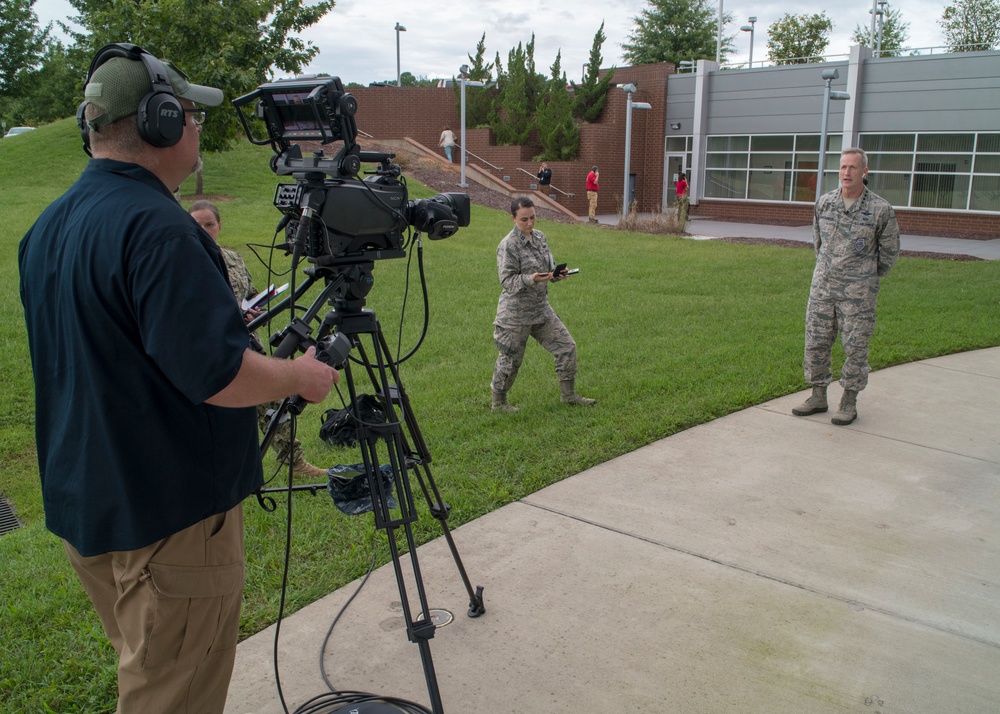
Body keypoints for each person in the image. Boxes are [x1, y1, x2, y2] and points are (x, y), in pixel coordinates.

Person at [18, 44, 338, 713]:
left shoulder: (49, 226)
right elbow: (221, 376)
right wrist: (300, 376)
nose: (197, 127)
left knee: (151, 670)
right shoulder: (160, 229)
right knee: (171, 698)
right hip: (170, 523)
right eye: (190, 113)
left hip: (95, 509)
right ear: (163, 122)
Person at [188, 200, 329, 478]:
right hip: (215, 352)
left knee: (274, 402)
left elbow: (249, 293)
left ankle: (294, 461)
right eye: (197, 225)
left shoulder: (233, 259)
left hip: (247, 344)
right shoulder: (187, 263)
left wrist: (253, 308)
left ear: (219, 226)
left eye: (209, 224)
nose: (204, 230)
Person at [792, 147, 899, 426]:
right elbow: (819, 244)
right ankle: (817, 395)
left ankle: (849, 400)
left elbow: (889, 253)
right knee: (816, 342)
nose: (846, 173)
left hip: (858, 295)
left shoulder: (880, 210)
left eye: (852, 168)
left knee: (855, 347)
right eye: (842, 167)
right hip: (823, 289)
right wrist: (829, 271)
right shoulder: (825, 204)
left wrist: (865, 278)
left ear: (865, 171)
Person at [491, 196, 595, 412]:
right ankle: (498, 403)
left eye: (533, 217)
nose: (530, 223)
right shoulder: (508, 245)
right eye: (524, 220)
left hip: (541, 311)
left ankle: (568, 395)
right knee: (510, 360)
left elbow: (548, 268)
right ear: (513, 218)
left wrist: (556, 275)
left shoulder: (540, 238)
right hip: (515, 316)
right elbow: (507, 281)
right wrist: (532, 278)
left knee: (567, 347)